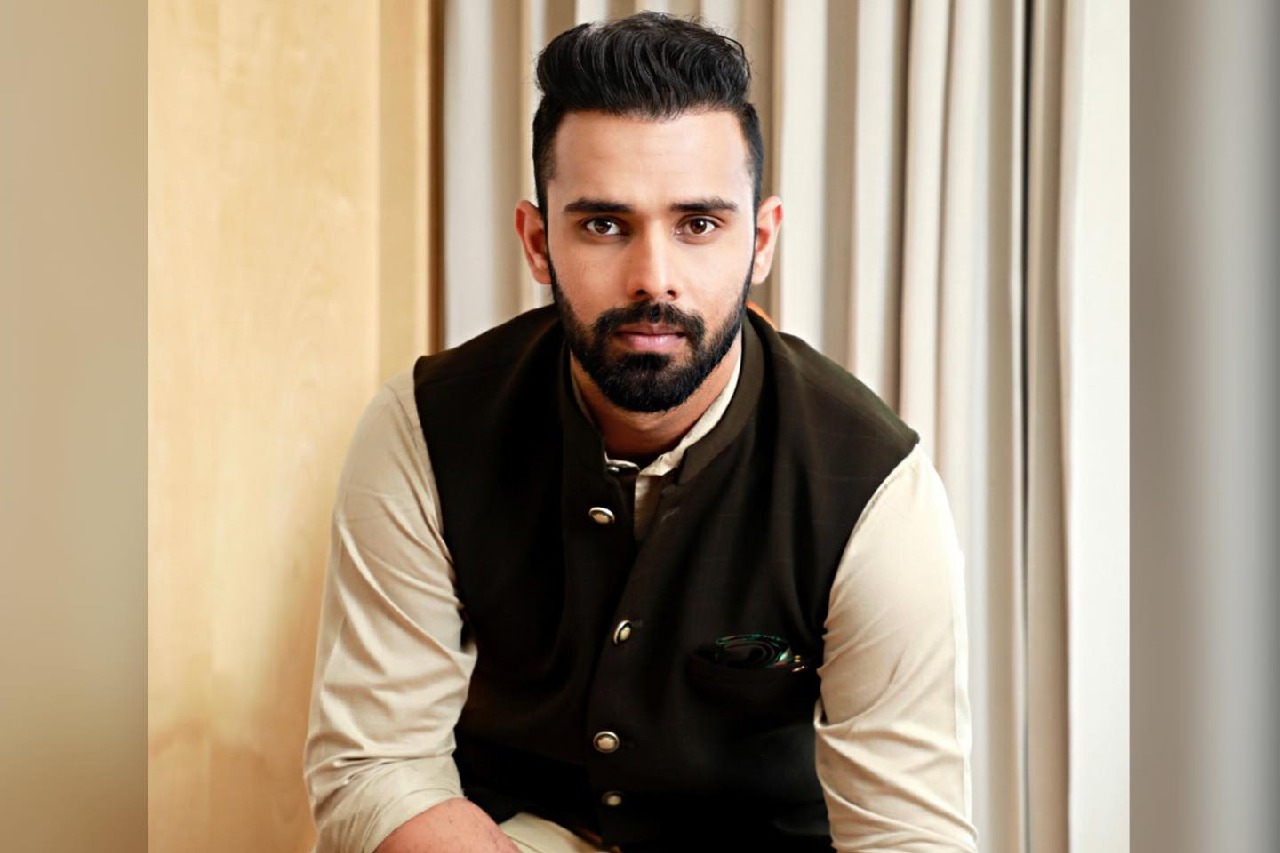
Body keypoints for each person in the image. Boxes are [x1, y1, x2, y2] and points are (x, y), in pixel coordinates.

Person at [305, 11, 977, 853]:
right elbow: (375, 764)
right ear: (537, 241)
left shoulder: (874, 488)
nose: (653, 279)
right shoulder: (422, 427)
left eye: (698, 224)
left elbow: (909, 835)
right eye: (603, 224)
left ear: (761, 239)